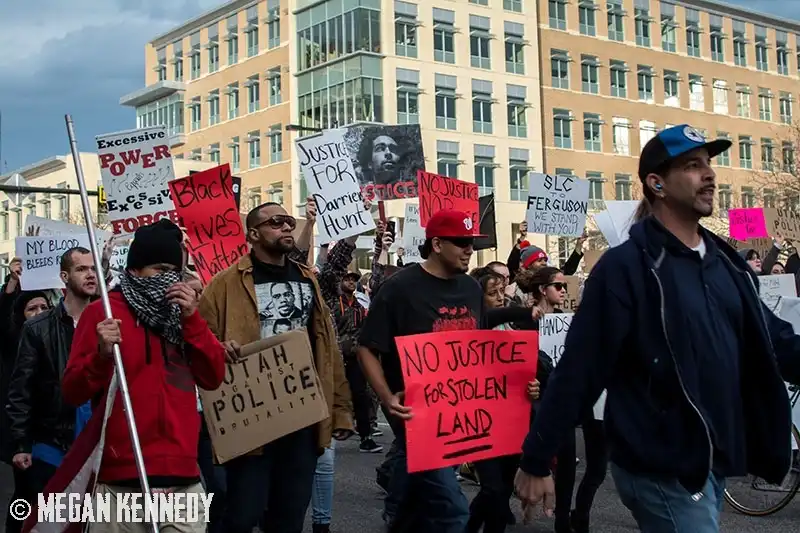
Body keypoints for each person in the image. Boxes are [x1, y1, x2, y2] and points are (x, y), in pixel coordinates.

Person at [514, 124, 800, 533]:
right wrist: (537, 458)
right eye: (692, 165)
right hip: (661, 464)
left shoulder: (729, 265)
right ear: (657, 183)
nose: (709, 175)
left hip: (712, 460)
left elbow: (773, 340)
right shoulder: (626, 269)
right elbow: (580, 370)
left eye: (708, 164)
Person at [199, 202, 354, 533]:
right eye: (276, 222)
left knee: (288, 516)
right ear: (253, 234)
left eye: (288, 222)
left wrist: (340, 410)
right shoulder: (225, 284)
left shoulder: (307, 280)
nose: (286, 227)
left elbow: (327, 349)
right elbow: (197, 340)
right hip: (251, 420)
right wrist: (217, 348)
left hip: (302, 419)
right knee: (242, 515)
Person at [62, 219, 225, 532]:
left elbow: (213, 376)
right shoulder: (103, 313)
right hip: (120, 480)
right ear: (135, 270)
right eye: (158, 269)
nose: (168, 279)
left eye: (174, 271)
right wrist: (100, 356)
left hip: (182, 479)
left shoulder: (186, 313)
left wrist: (193, 321)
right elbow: (71, 391)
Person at [358, 209, 490, 533]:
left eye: (471, 243)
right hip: (416, 416)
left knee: (416, 505)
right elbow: (367, 348)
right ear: (436, 244)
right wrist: (388, 399)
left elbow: (480, 348)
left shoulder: (472, 289)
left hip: (460, 414)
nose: (469, 250)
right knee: (454, 510)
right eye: (461, 242)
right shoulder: (399, 288)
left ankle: (398, 513)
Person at [6, 247, 97, 514]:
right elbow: (21, 388)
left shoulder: (107, 322)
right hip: (53, 442)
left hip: (97, 441)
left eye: (93, 269)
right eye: (82, 269)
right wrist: (21, 444)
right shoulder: (38, 328)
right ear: (64, 276)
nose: (90, 275)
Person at [2, 290, 52, 533]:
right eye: (32, 308)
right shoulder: (13, 340)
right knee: (24, 495)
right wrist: (11, 286)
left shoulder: (56, 337)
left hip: (50, 432)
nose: (39, 313)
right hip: (23, 433)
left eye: (44, 307)